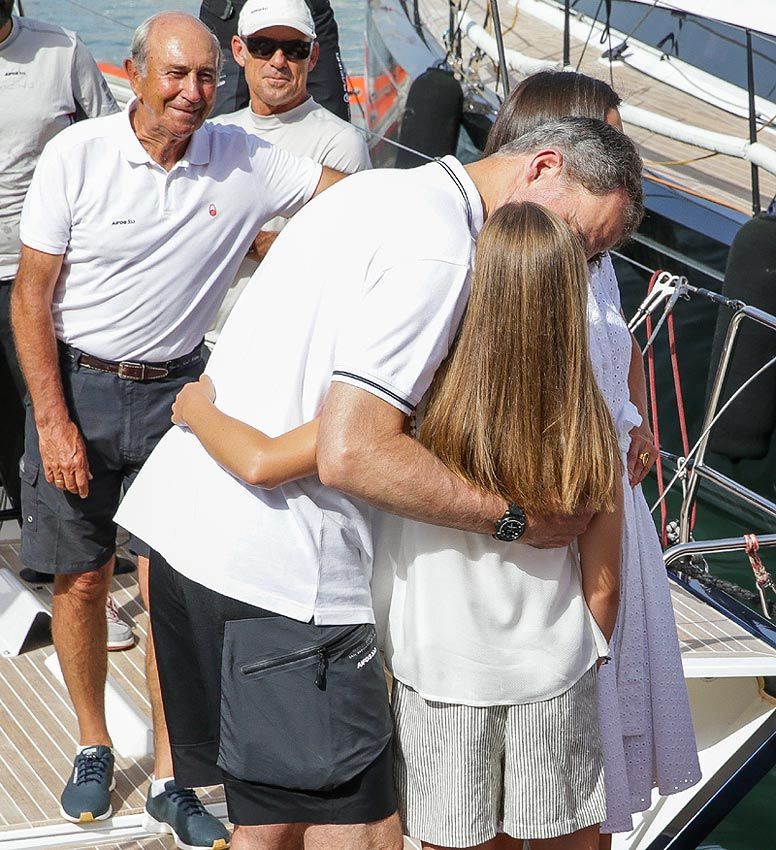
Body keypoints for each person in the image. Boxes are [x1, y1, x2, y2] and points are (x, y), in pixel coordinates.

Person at [115, 116, 643, 850]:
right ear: (543, 167)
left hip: (192, 536)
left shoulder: (375, 194)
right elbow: (353, 452)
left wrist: (200, 412)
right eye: (584, 241)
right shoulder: (444, 255)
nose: (580, 265)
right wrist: (516, 521)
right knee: (361, 831)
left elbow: (280, 417)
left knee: (269, 819)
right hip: (287, 574)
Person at [11, 10, 341, 846]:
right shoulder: (77, 156)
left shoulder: (247, 158)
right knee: (82, 580)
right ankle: (93, 743)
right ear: (133, 74)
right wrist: (51, 418)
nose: (195, 94)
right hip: (78, 388)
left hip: (182, 400)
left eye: (206, 79)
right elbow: (31, 295)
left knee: (173, 594)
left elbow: (348, 199)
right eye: (177, 76)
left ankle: (170, 774)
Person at [484, 70, 702, 842]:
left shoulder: (598, 256)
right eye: (607, 132)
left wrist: (637, 418)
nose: (624, 148)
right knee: (546, 734)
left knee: (602, 745)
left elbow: (621, 344)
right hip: (560, 503)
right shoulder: (522, 254)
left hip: (613, 499)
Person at [0, 0, 117, 529]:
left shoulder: (62, 50)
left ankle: (57, 536)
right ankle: (26, 522)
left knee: (46, 401)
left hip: (38, 269)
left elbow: (116, 142)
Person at [206, 0, 371, 343]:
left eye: (294, 49)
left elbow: (352, 253)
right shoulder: (214, 132)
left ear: (312, 58)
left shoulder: (341, 143)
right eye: (263, 47)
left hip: (283, 345)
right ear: (239, 51)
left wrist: (254, 242)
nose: (278, 61)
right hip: (203, 343)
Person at [200, 0, 350, 120]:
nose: (278, 62)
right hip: (228, 14)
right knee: (217, 127)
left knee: (334, 118)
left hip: (307, 12)